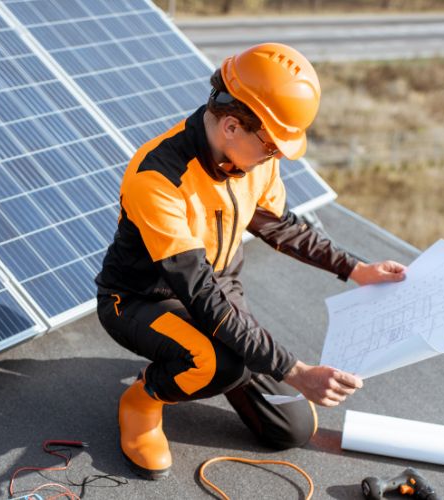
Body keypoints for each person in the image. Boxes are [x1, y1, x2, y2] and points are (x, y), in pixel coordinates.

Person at [93, 43, 407, 480]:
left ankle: (203, 364)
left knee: (289, 429)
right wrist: (294, 371)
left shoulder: (253, 158)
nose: (275, 156)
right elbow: (199, 292)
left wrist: (355, 269)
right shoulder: (158, 178)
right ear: (231, 125)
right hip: (141, 302)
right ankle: (144, 398)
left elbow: (280, 225)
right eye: (272, 147)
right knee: (221, 364)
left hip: (216, 291)